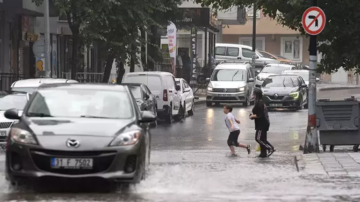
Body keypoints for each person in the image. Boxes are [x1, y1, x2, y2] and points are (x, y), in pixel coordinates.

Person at [250, 88, 275, 158]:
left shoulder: (260, 103)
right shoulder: (260, 101)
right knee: (263, 138)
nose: (253, 96)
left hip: (262, 123)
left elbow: (259, 115)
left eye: (254, 94)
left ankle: (270, 148)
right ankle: (263, 153)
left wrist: (252, 116)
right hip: (263, 122)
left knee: (258, 138)